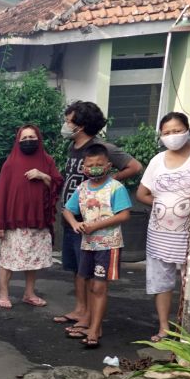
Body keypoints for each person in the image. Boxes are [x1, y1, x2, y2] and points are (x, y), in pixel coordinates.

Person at [54, 101, 143, 332]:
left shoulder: (101, 149)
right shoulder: (73, 148)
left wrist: (108, 184)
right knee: (77, 267)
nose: (65, 124)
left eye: (69, 120)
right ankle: (80, 309)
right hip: (72, 217)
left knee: (92, 272)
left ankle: (90, 317)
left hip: (93, 222)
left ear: (81, 125)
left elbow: (135, 166)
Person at [136, 112, 190, 342]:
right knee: (162, 282)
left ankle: (186, 328)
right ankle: (164, 327)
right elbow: (142, 193)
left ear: (188, 130)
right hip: (159, 233)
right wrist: (165, 204)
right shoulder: (157, 160)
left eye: (177, 130)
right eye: (166, 132)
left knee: (189, 281)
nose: (172, 136)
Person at [62, 144, 133, 349]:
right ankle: (94, 325)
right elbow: (67, 210)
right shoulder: (82, 188)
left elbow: (124, 215)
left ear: (108, 165)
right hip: (88, 245)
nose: (94, 168)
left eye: (99, 164)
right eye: (90, 165)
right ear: (83, 167)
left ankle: (94, 329)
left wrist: (95, 225)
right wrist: (75, 224)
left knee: (99, 286)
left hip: (108, 245)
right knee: (89, 284)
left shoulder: (115, 188)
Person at [0, 125, 63, 309]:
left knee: (33, 259)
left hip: (38, 220)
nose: (28, 140)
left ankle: (29, 293)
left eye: (31, 137)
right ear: (18, 141)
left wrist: (42, 175)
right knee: (8, 259)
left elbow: (57, 184)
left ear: (38, 138)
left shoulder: (47, 161)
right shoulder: (10, 163)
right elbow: (1, 194)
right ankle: (3, 294)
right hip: (13, 221)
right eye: (24, 138)